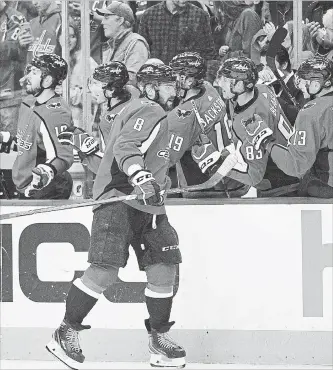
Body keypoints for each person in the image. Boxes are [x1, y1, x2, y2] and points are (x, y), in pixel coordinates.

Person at [46, 63, 187, 369]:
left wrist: (156, 183)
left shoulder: (126, 108)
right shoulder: (149, 109)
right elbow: (126, 147)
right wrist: (143, 178)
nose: (174, 91)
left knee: (164, 266)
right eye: (167, 85)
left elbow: (129, 150)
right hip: (118, 200)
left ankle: (158, 339)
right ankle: (65, 331)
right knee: (105, 269)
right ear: (151, 88)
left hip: (149, 205)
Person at [243, 56, 333, 198]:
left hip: (327, 187)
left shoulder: (311, 113)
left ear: (317, 83)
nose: (300, 85)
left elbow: (295, 166)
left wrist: (265, 141)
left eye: (303, 81)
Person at [167, 52, 248, 196]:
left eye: (176, 76)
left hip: (204, 186)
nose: (173, 81)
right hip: (233, 173)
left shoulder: (183, 115)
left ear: (189, 81)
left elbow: (168, 157)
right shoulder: (208, 88)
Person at [214, 56, 297, 191]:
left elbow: (255, 177)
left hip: (280, 177)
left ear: (241, 85)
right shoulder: (262, 88)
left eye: (225, 80)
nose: (219, 84)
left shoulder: (251, 119)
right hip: (288, 155)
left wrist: (217, 166)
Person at [0, 54, 74, 199]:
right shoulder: (28, 103)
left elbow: (62, 156)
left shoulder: (56, 112)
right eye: (29, 71)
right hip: (26, 186)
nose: (27, 77)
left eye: (34, 73)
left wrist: (42, 177)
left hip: (48, 188)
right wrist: (7, 139)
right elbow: (30, 144)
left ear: (47, 80)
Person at [138, 0, 216, 64]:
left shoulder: (200, 16)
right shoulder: (149, 15)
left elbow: (209, 53)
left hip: (188, 78)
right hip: (156, 78)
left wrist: (208, 80)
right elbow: (141, 52)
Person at [56, 21, 98, 128]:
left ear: (77, 39)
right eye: (64, 36)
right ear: (58, 37)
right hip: (56, 118)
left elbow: (97, 95)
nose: (68, 40)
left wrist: (69, 94)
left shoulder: (86, 61)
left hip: (79, 122)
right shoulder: (54, 60)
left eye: (72, 36)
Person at [97, 1, 149, 85]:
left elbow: (133, 80)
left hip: (128, 98)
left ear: (120, 20)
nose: (102, 22)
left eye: (106, 18)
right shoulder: (111, 45)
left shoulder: (136, 43)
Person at [0, 1, 32, 134]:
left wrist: (12, 46)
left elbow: (17, 51)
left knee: (10, 147)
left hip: (10, 95)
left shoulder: (16, 18)